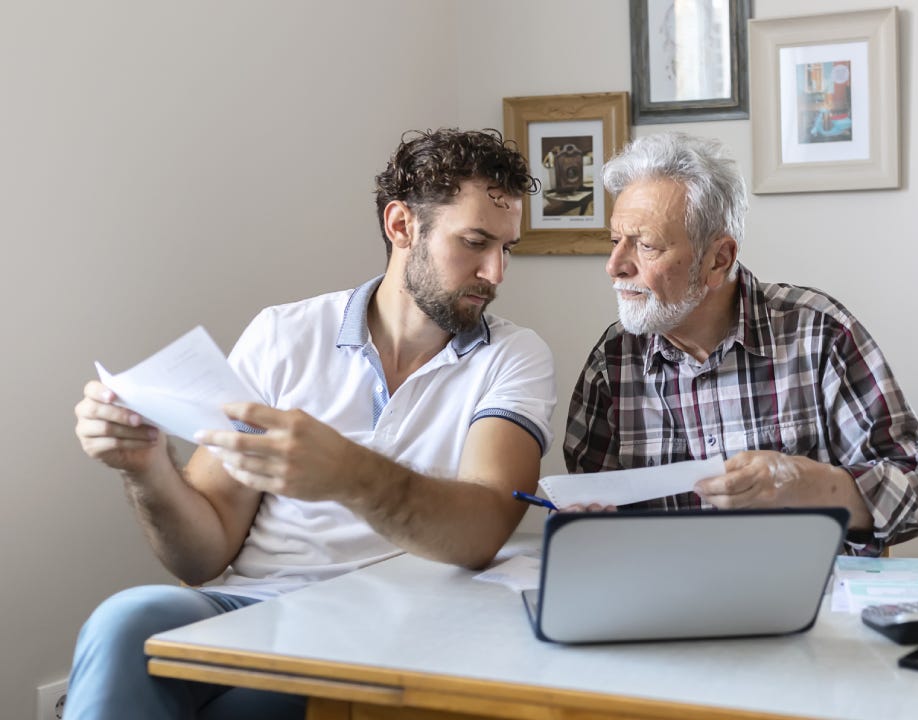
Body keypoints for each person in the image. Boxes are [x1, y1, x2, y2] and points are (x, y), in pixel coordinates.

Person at [68, 128, 555, 719]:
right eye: (476, 242)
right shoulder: (283, 335)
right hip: (254, 609)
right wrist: (147, 468)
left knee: (244, 709)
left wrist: (349, 474)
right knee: (126, 620)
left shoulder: (513, 356)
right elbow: (201, 556)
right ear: (401, 225)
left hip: (393, 627)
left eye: (508, 248)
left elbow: (481, 531)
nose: (496, 272)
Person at [563, 131, 918, 554]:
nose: (614, 266)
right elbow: (588, 514)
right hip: (665, 608)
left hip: (811, 604)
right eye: (616, 241)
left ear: (718, 259)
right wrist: (589, 527)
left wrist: (809, 484)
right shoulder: (612, 362)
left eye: (646, 245)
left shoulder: (818, 333)